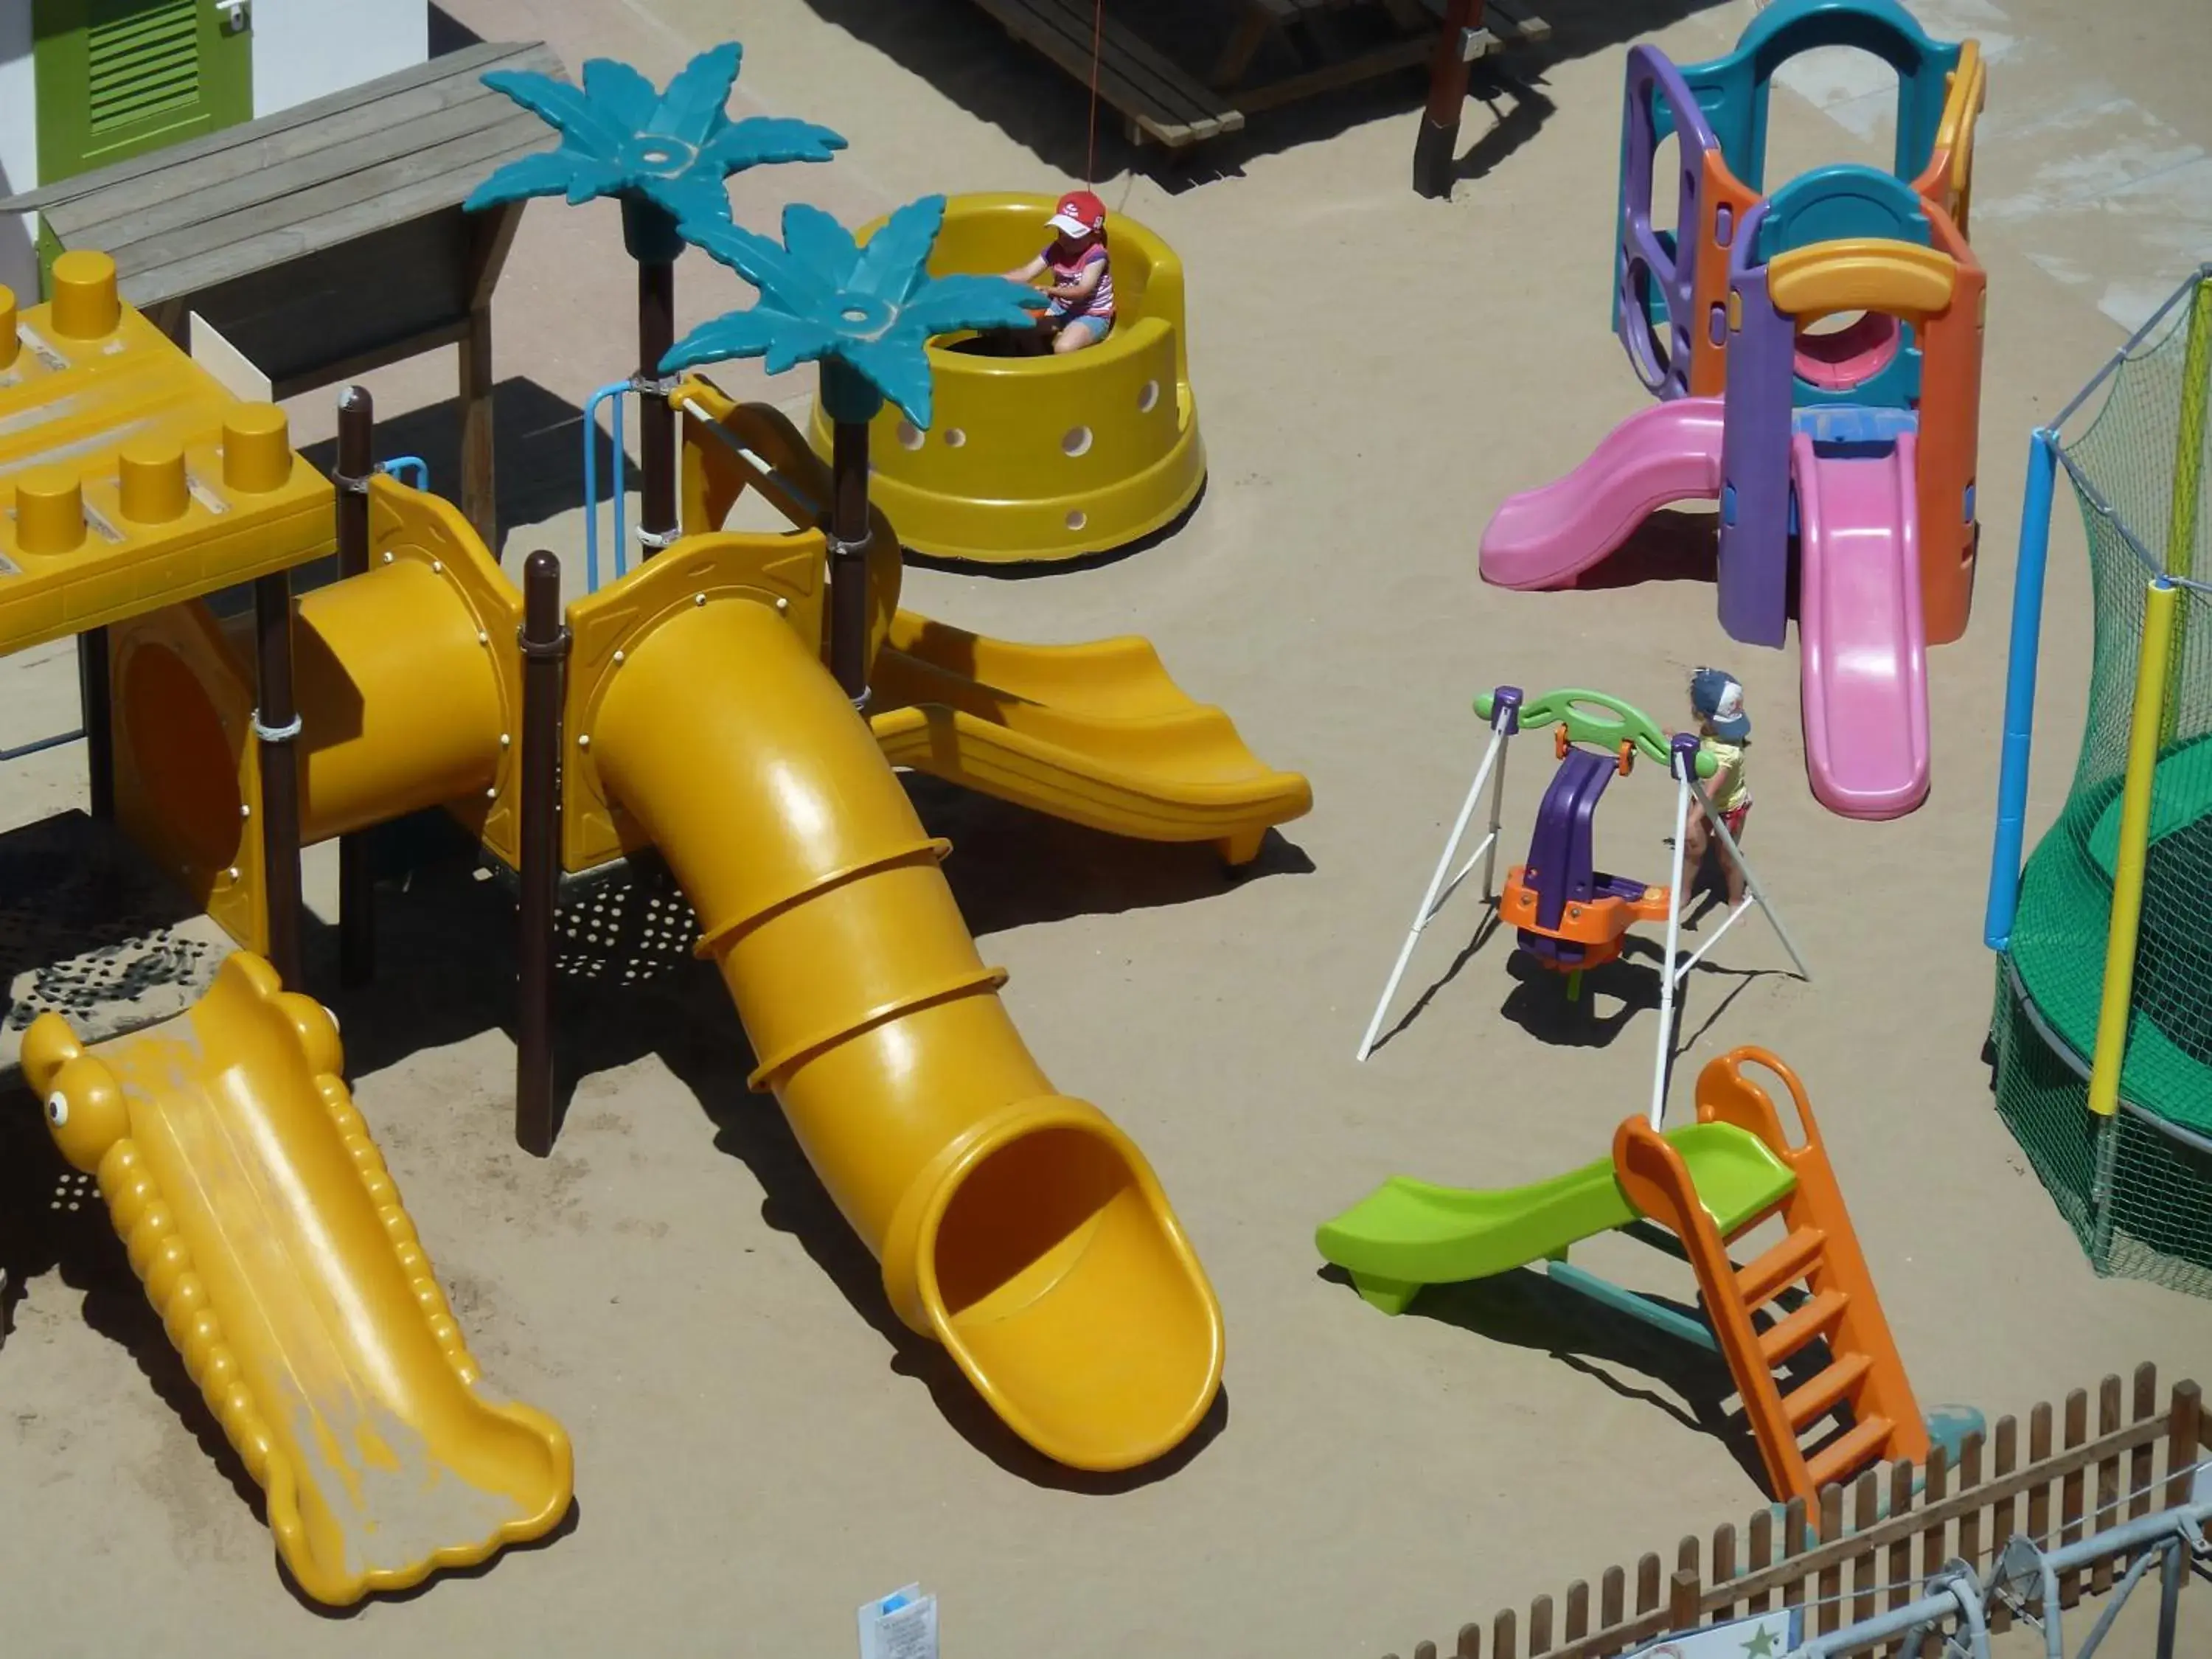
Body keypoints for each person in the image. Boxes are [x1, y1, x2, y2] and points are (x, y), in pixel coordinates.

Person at [1001, 189, 1116, 355]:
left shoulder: (1096, 257)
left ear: (1094, 236)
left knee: (1063, 347)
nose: (1064, 240)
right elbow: (1026, 273)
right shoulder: (1057, 248)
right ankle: (1039, 364)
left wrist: (1050, 290)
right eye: (1061, 233)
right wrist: (996, 280)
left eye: (1073, 236)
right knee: (1022, 328)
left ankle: (1059, 373)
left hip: (1092, 315)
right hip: (1061, 309)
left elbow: (1082, 291)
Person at [1680, 666, 1753, 912]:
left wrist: (1692, 821)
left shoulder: (1727, 753)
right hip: (1701, 798)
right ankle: (1685, 893)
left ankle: (1735, 899)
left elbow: (1711, 792)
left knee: (1728, 858)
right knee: (1693, 850)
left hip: (1729, 807)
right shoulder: (1710, 732)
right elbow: (1702, 748)